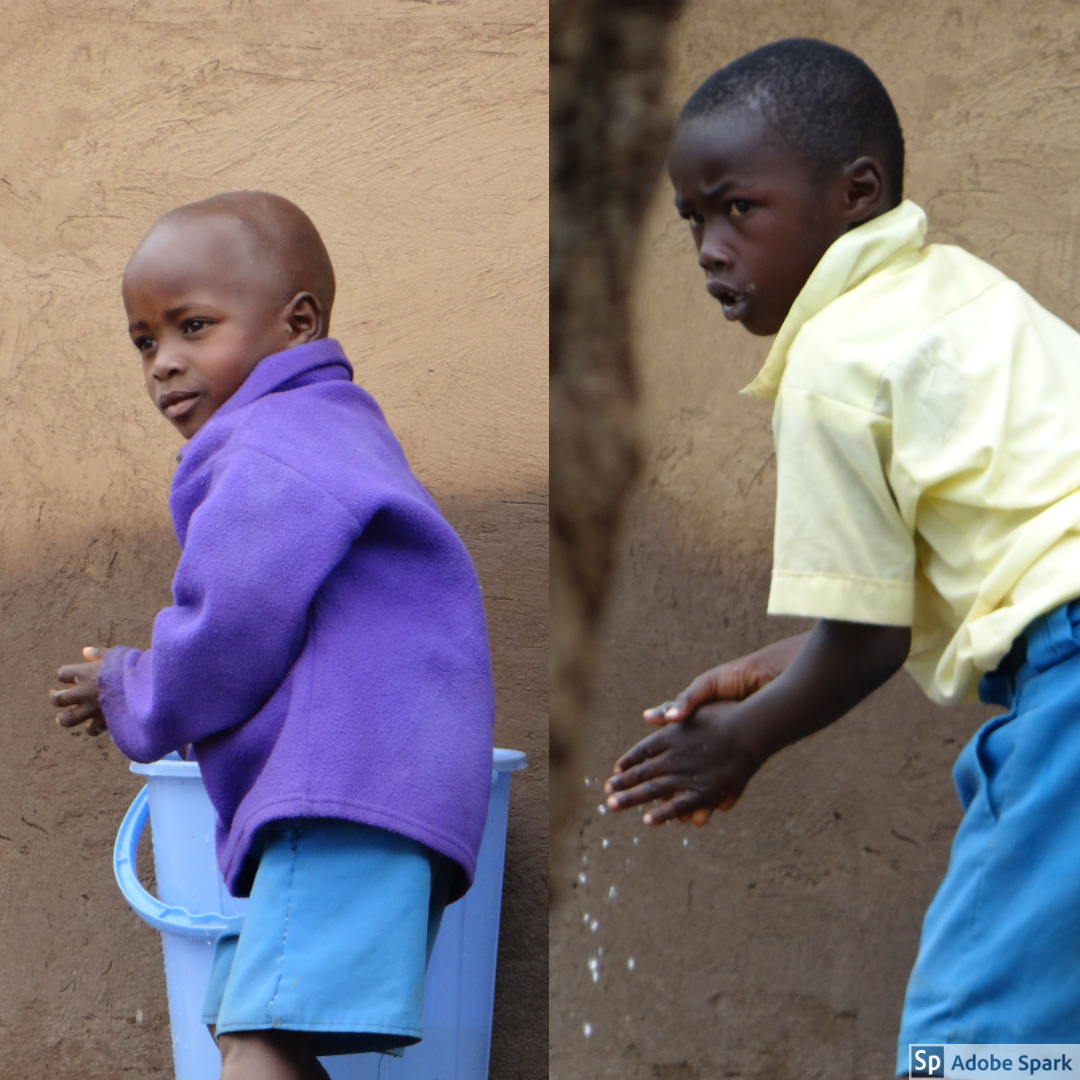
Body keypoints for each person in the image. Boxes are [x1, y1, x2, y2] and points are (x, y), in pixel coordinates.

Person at [602, 37, 1080, 1075]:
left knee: (975, 1040)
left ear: (855, 192)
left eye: (738, 208)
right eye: (693, 222)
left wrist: (744, 742)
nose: (710, 252)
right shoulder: (963, 293)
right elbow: (924, 590)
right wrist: (773, 667)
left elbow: (867, 645)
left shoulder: (832, 361)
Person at [48, 191, 495, 1080]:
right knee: (248, 1033)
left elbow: (229, 630)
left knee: (259, 1042)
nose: (164, 365)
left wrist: (130, 688)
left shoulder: (274, 445)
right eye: (145, 341)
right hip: (373, 793)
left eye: (194, 327)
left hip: (343, 797)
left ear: (298, 324)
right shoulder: (325, 426)